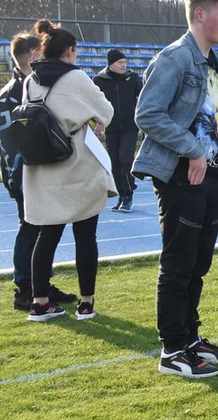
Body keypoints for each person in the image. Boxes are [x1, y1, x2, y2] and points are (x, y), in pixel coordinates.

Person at [134, 0, 218, 379]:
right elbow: (148, 115)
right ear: (200, 15)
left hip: (213, 175)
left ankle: (189, 338)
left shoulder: (214, 64)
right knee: (178, 263)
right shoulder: (173, 59)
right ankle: (172, 349)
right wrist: (192, 149)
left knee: (198, 262)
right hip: (182, 177)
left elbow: (213, 117)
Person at [22, 20, 116, 322]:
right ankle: (86, 302)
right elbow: (107, 111)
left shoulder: (30, 81)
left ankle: (39, 303)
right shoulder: (76, 77)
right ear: (69, 52)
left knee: (46, 236)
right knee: (85, 235)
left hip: (42, 167)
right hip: (76, 164)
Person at [0, 32, 75, 310]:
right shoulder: (17, 91)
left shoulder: (19, 87)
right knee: (32, 229)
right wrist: (14, 176)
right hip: (26, 171)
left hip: (26, 168)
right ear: (33, 55)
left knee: (41, 229)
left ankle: (40, 282)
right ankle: (25, 288)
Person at [93, 48, 143, 212]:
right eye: (120, 62)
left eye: (125, 62)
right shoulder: (99, 81)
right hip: (112, 127)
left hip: (130, 126)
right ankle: (121, 194)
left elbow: (143, 98)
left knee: (126, 159)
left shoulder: (133, 78)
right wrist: (98, 123)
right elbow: (96, 105)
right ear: (111, 64)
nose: (124, 65)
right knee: (114, 163)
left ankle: (128, 194)